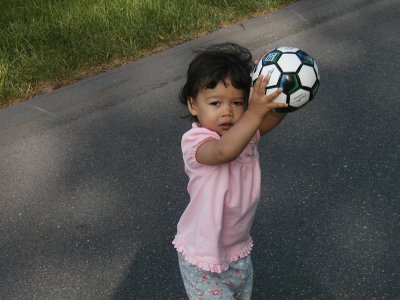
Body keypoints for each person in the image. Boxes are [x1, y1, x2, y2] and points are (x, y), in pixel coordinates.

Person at [173, 42, 287, 299]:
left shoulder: (244, 134)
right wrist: (253, 112)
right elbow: (225, 151)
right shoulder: (197, 142)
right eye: (215, 103)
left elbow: (267, 120)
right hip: (201, 257)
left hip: (237, 252)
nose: (227, 112)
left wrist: (281, 99)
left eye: (237, 102)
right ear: (193, 105)